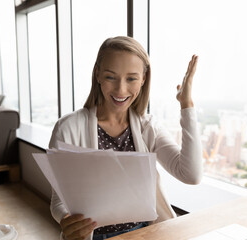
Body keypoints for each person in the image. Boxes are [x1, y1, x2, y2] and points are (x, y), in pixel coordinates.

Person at [49, 36, 203, 240]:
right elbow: (58, 201)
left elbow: (191, 174)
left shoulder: (148, 128)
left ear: (143, 79)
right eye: (111, 77)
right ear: (98, 75)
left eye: (131, 78)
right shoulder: (68, 128)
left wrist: (186, 105)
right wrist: (67, 220)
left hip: (145, 233)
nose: (121, 90)